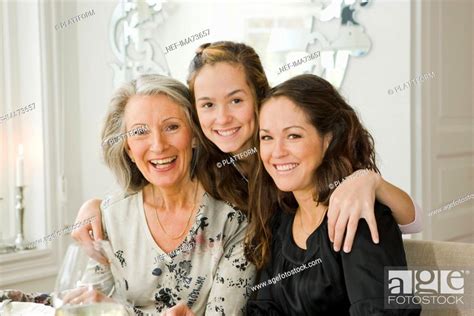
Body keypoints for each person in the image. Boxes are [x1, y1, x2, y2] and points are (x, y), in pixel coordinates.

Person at [72, 41, 421, 263]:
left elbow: (413, 223)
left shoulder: (299, 160)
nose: (222, 118)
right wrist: (98, 206)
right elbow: (157, 178)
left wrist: (368, 180)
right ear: (195, 114)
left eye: (236, 100)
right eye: (207, 104)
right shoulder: (208, 162)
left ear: (259, 97)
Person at [67, 75, 255, 315]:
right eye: (140, 132)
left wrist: (117, 312)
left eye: (172, 127)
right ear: (129, 149)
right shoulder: (110, 217)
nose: (158, 145)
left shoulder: (234, 220)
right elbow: (84, 305)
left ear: (195, 136)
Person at [246, 74, 421, 315]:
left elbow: (383, 311)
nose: (277, 152)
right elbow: (262, 309)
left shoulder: (361, 218)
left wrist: (372, 180)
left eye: (293, 136)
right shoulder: (279, 219)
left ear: (328, 139)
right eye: (266, 137)